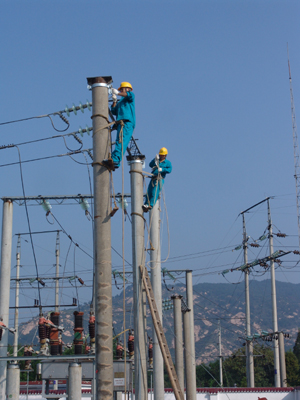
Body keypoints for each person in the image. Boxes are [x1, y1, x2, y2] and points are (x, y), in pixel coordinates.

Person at [102, 82, 136, 170]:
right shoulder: (120, 102)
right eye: (120, 89)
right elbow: (114, 111)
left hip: (127, 123)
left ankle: (116, 159)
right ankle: (115, 160)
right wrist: (114, 101)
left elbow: (128, 95)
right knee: (119, 141)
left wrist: (117, 93)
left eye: (122, 89)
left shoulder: (130, 96)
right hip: (121, 123)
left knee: (121, 142)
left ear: (127, 89)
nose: (121, 90)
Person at [142, 147, 172, 212]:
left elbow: (169, 170)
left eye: (162, 155)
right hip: (153, 178)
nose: (161, 156)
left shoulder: (167, 163)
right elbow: (150, 165)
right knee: (149, 192)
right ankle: (146, 204)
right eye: (160, 155)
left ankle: (151, 205)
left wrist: (162, 169)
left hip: (159, 179)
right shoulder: (157, 160)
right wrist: (154, 160)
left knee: (154, 192)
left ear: (165, 155)